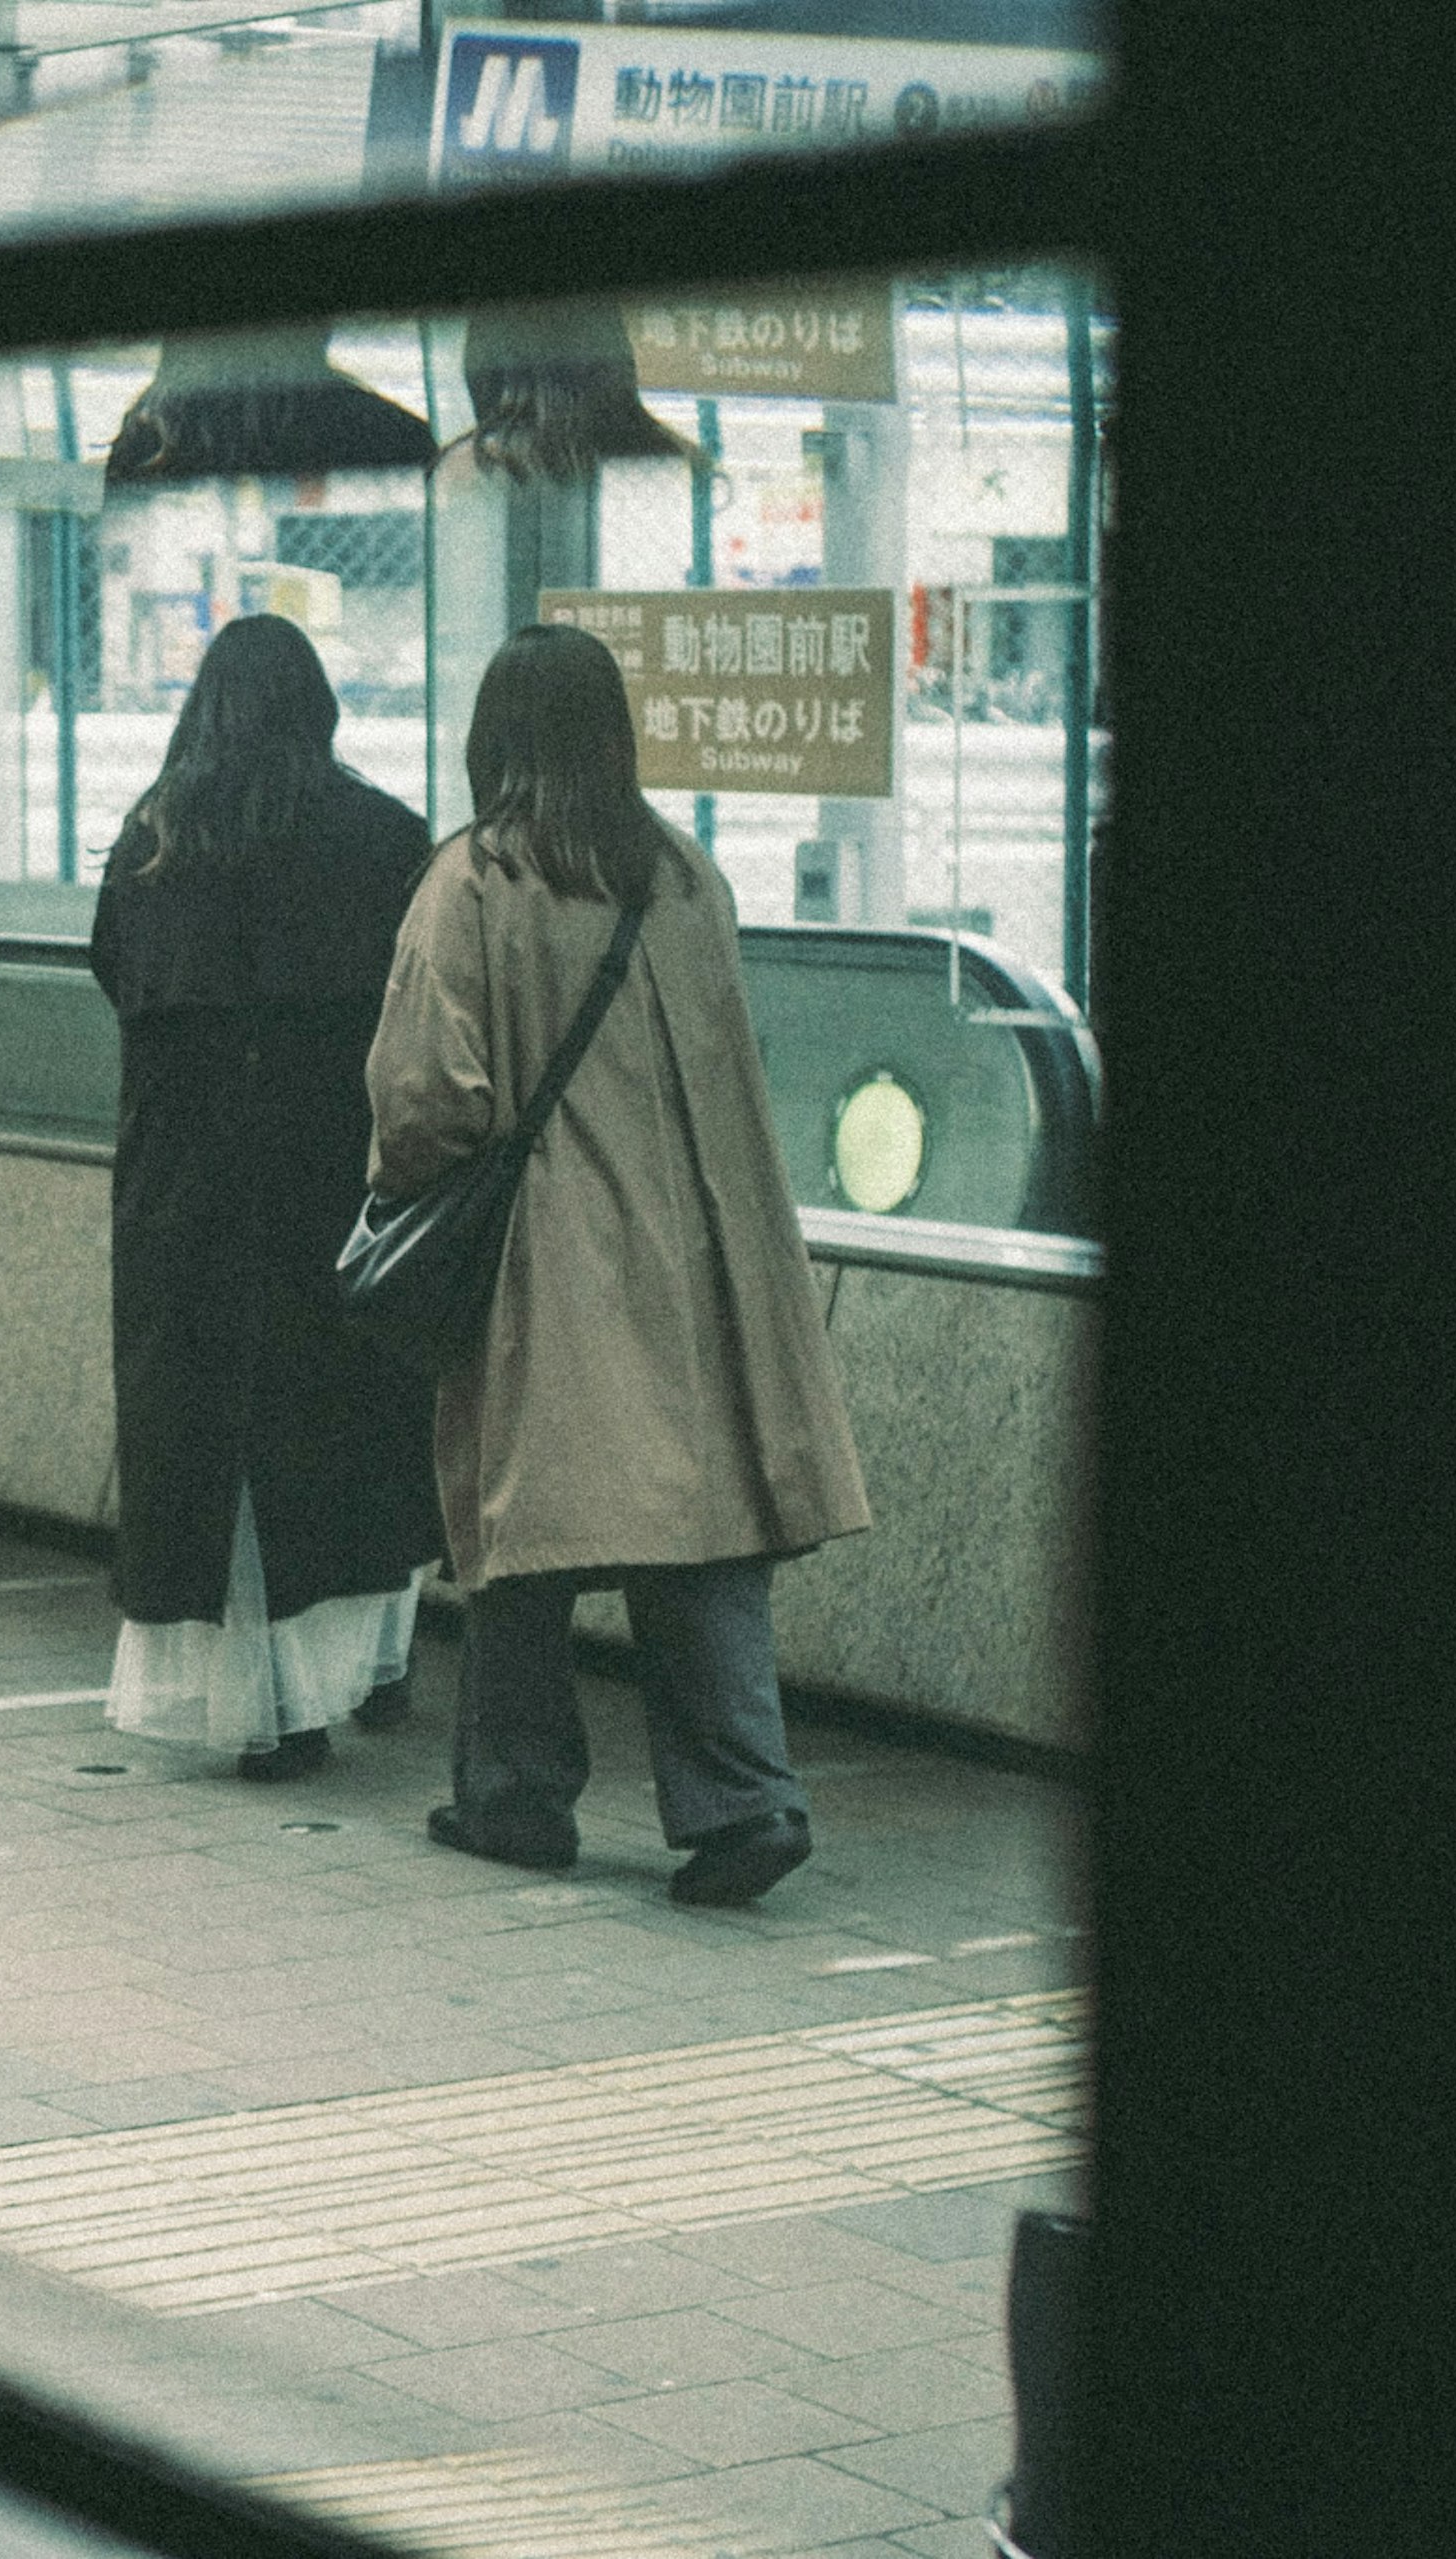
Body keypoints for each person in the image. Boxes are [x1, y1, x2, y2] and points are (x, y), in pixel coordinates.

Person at [365, 623, 871, 1904]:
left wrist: (409, 1183)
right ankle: (745, 1803)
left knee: (521, 1532)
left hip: (554, 1262)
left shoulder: (474, 880)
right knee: (698, 1537)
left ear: (496, 735)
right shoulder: (685, 875)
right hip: (703, 1265)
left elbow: (427, 1095)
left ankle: (516, 1800)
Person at [89, 616, 449, 1779]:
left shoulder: (153, 841)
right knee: (343, 1426)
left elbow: (116, 977)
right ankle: (372, 1669)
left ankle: (273, 1708)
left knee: (213, 1451)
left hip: (182, 1195)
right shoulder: (387, 838)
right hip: (329, 1183)